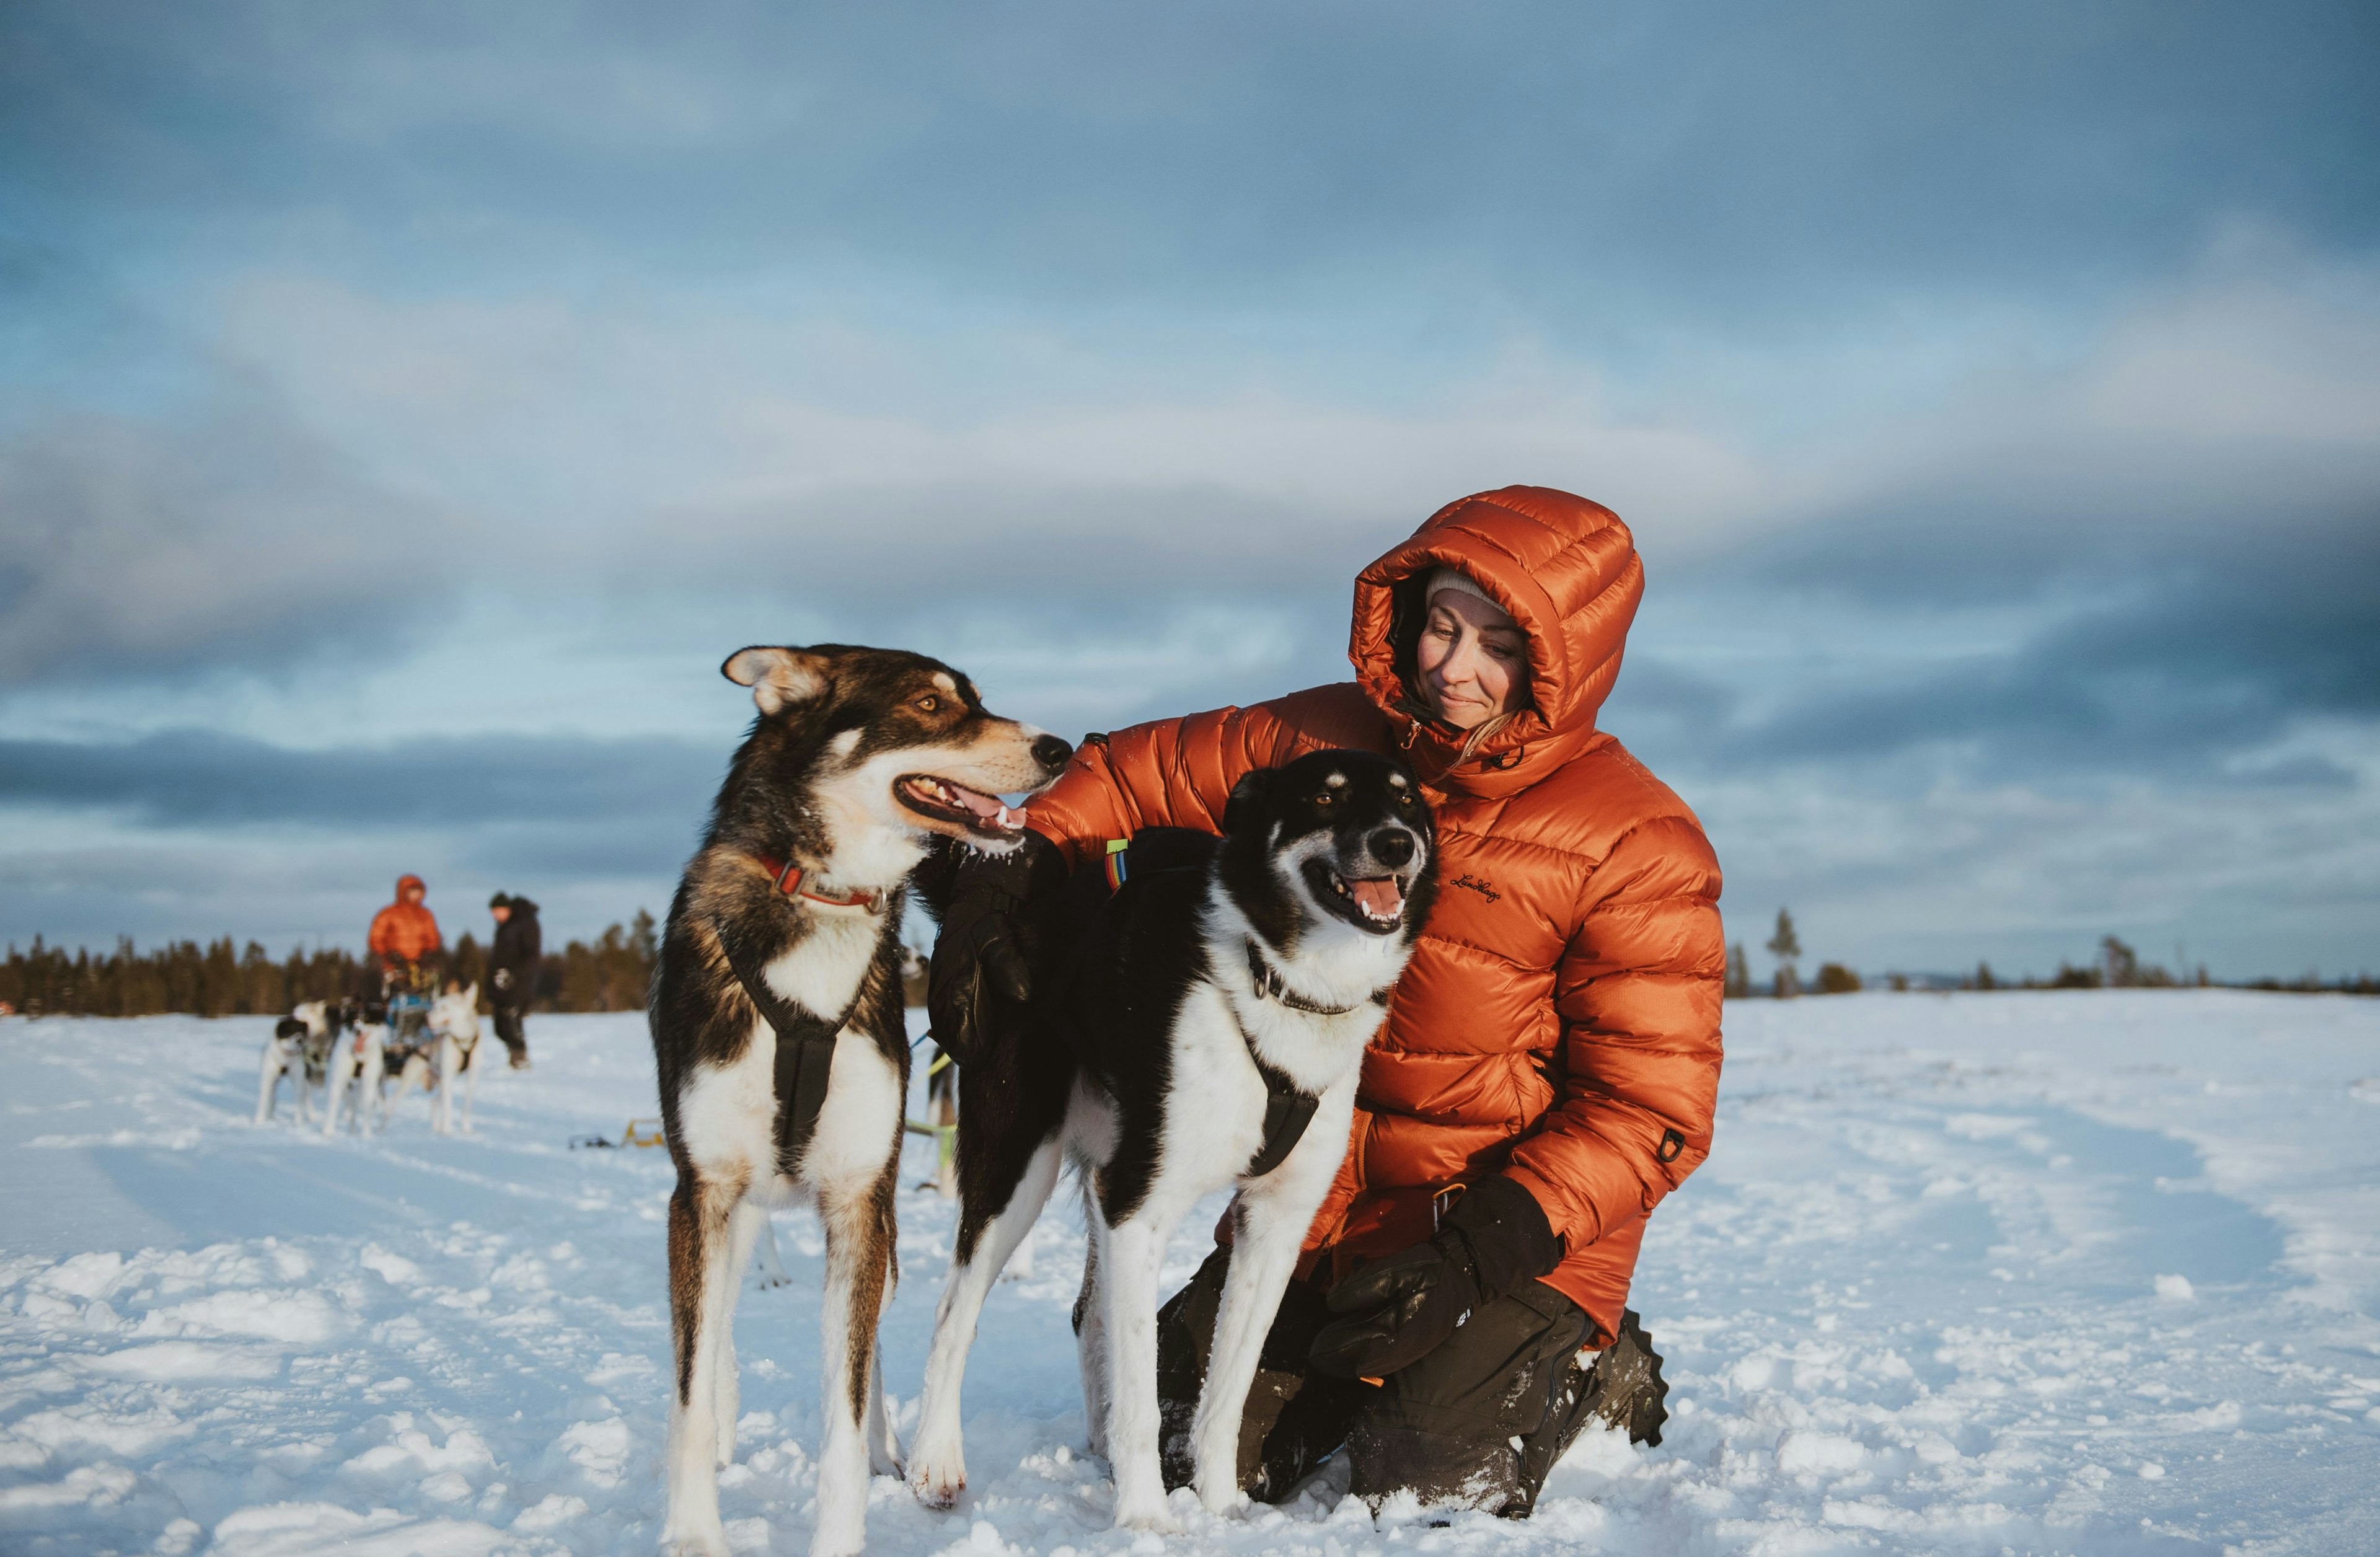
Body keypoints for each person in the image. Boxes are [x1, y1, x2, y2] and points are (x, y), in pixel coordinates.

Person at [930, 485, 1722, 1515]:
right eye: (1440, 624)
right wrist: (1014, 867)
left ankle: (1596, 1370)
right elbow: (1128, 775)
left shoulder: (1634, 841)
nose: (1452, 667)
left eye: (1496, 645)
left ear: (1559, 665)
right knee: (1179, 1442)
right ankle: (1352, 1374)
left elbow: (1649, 1110)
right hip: (1315, 1212)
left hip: (1497, 1232)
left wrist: (1484, 1247)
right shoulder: (1319, 742)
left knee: (1424, 1477)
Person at [488, 893, 541, 1070]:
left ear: (507, 908)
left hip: (519, 983)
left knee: (511, 1019)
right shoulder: (505, 926)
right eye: (493, 911)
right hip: (502, 982)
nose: (495, 915)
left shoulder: (526, 923)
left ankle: (520, 1057)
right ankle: (515, 1054)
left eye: (497, 911)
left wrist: (513, 974)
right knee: (499, 1025)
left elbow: (531, 956)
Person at [368, 873, 444, 994]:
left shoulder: (425, 915)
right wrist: (389, 954)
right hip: (394, 966)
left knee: (426, 989)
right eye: (413, 891)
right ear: (404, 891)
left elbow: (432, 937)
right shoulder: (388, 914)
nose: (416, 894)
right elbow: (376, 938)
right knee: (392, 991)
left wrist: (429, 953)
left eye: (419, 891)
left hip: (420, 966)